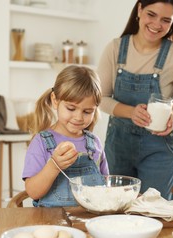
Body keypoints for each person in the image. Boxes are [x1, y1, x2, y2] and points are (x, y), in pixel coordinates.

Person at [98, 0, 173, 200]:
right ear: (140, 9)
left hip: (158, 149)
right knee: (116, 209)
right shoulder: (115, 49)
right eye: (151, 14)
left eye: (165, 20)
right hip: (118, 147)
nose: (157, 24)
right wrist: (130, 112)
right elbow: (100, 97)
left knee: (156, 211)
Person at [22, 65, 109, 207]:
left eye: (87, 112)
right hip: (51, 221)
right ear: (55, 100)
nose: (78, 117)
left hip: (88, 221)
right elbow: (33, 192)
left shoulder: (95, 144)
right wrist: (54, 166)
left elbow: (106, 187)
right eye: (71, 108)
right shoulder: (42, 142)